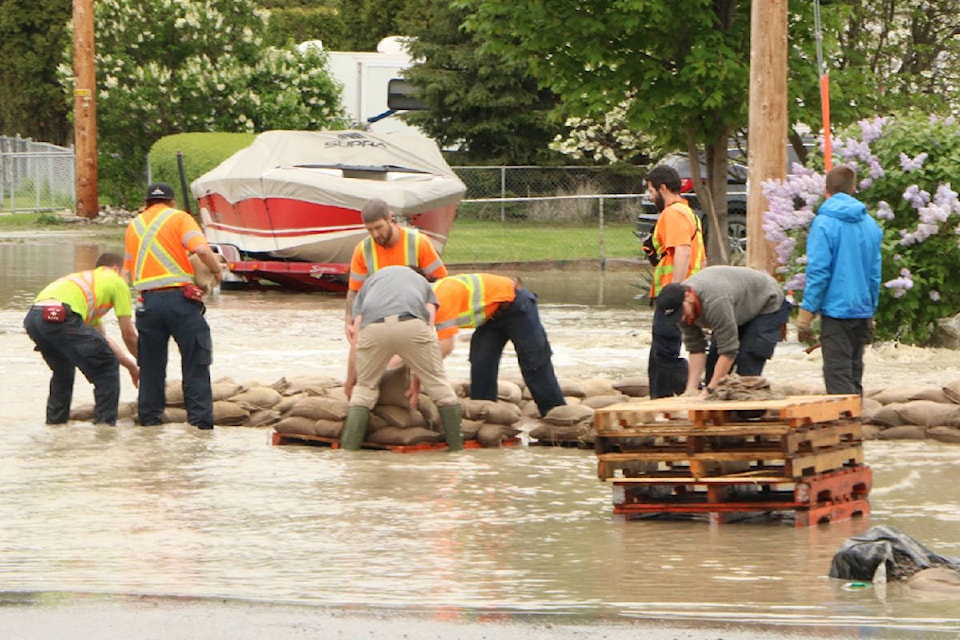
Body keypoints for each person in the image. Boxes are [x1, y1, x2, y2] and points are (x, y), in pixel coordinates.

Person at [124, 182, 224, 429]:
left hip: (147, 304)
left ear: (147, 203)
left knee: (151, 368)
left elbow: (127, 270)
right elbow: (201, 249)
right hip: (180, 301)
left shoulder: (134, 226)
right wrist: (216, 270)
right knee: (196, 363)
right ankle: (200, 427)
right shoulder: (180, 218)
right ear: (171, 201)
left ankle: (149, 423)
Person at [342, 265, 462, 451]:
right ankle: (456, 450)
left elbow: (356, 338)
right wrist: (417, 379)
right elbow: (427, 327)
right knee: (439, 386)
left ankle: (348, 454)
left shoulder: (370, 284)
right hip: (412, 325)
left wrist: (350, 382)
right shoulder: (423, 284)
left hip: (373, 328)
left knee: (364, 390)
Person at [23, 253, 139, 425]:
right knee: (106, 367)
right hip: (62, 316)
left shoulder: (88, 286)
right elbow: (128, 333)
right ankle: (105, 429)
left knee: (63, 371)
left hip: (34, 319)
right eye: (126, 274)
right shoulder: (116, 281)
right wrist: (145, 362)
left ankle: (56, 425)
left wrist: (131, 366)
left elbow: (102, 339)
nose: (127, 280)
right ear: (116, 269)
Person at [796, 165, 882, 395]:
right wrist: (871, 312)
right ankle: (854, 426)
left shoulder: (823, 224)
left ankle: (845, 427)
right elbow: (874, 274)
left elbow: (819, 272)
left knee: (837, 374)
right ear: (854, 189)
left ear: (827, 190)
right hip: (862, 310)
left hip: (836, 313)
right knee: (854, 372)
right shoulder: (871, 225)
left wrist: (805, 316)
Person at [432, 273, 566, 417]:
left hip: (517, 305)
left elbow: (446, 346)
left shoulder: (442, 298)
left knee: (534, 362)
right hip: (491, 317)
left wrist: (424, 373)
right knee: (481, 362)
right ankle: (484, 411)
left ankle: (555, 413)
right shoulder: (423, 303)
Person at [655, 266, 792, 397]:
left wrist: (710, 391)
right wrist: (691, 389)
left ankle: (750, 411)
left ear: (688, 296)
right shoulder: (680, 310)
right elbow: (696, 348)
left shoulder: (715, 302)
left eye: (682, 313)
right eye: (678, 316)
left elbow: (728, 351)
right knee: (713, 367)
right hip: (735, 306)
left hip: (765, 301)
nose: (682, 318)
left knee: (747, 362)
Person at [344, 198, 448, 342]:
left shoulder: (419, 243)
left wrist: (438, 323)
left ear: (390, 219)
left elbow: (442, 282)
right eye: (370, 230)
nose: (375, 234)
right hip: (378, 321)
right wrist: (349, 321)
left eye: (378, 227)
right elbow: (355, 292)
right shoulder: (362, 250)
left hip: (414, 320)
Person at [645, 164, 707, 398]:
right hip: (687, 293)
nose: (651, 197)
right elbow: (700, 258)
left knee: (665, 352)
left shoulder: (672, 213)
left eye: (652, 191)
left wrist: (675, 290)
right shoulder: (689, 213)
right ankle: (658, 400)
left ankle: (697, 392)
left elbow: (682, 250)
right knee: (657, 354)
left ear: (663, 188)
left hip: (673, 295)